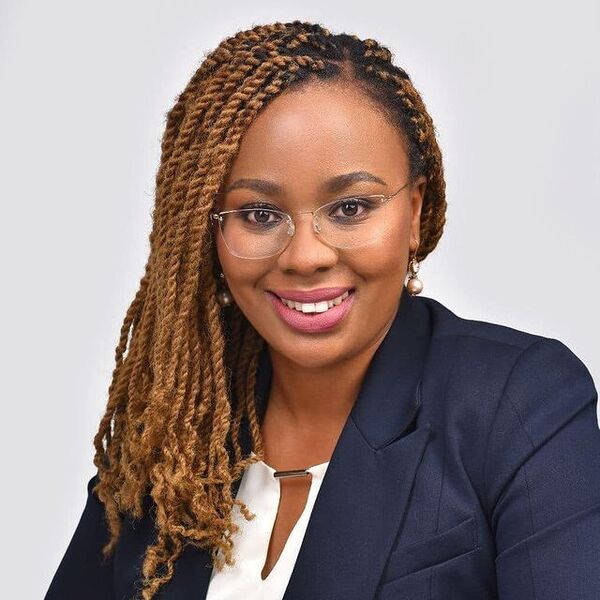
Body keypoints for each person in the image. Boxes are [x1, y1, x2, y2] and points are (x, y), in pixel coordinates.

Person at [45, 20, 600, 600]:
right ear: (205, 233)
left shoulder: (519, 403)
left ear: (414, 211)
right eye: (259, 214)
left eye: (352, 207)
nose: (305, 255)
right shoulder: (177, 434)